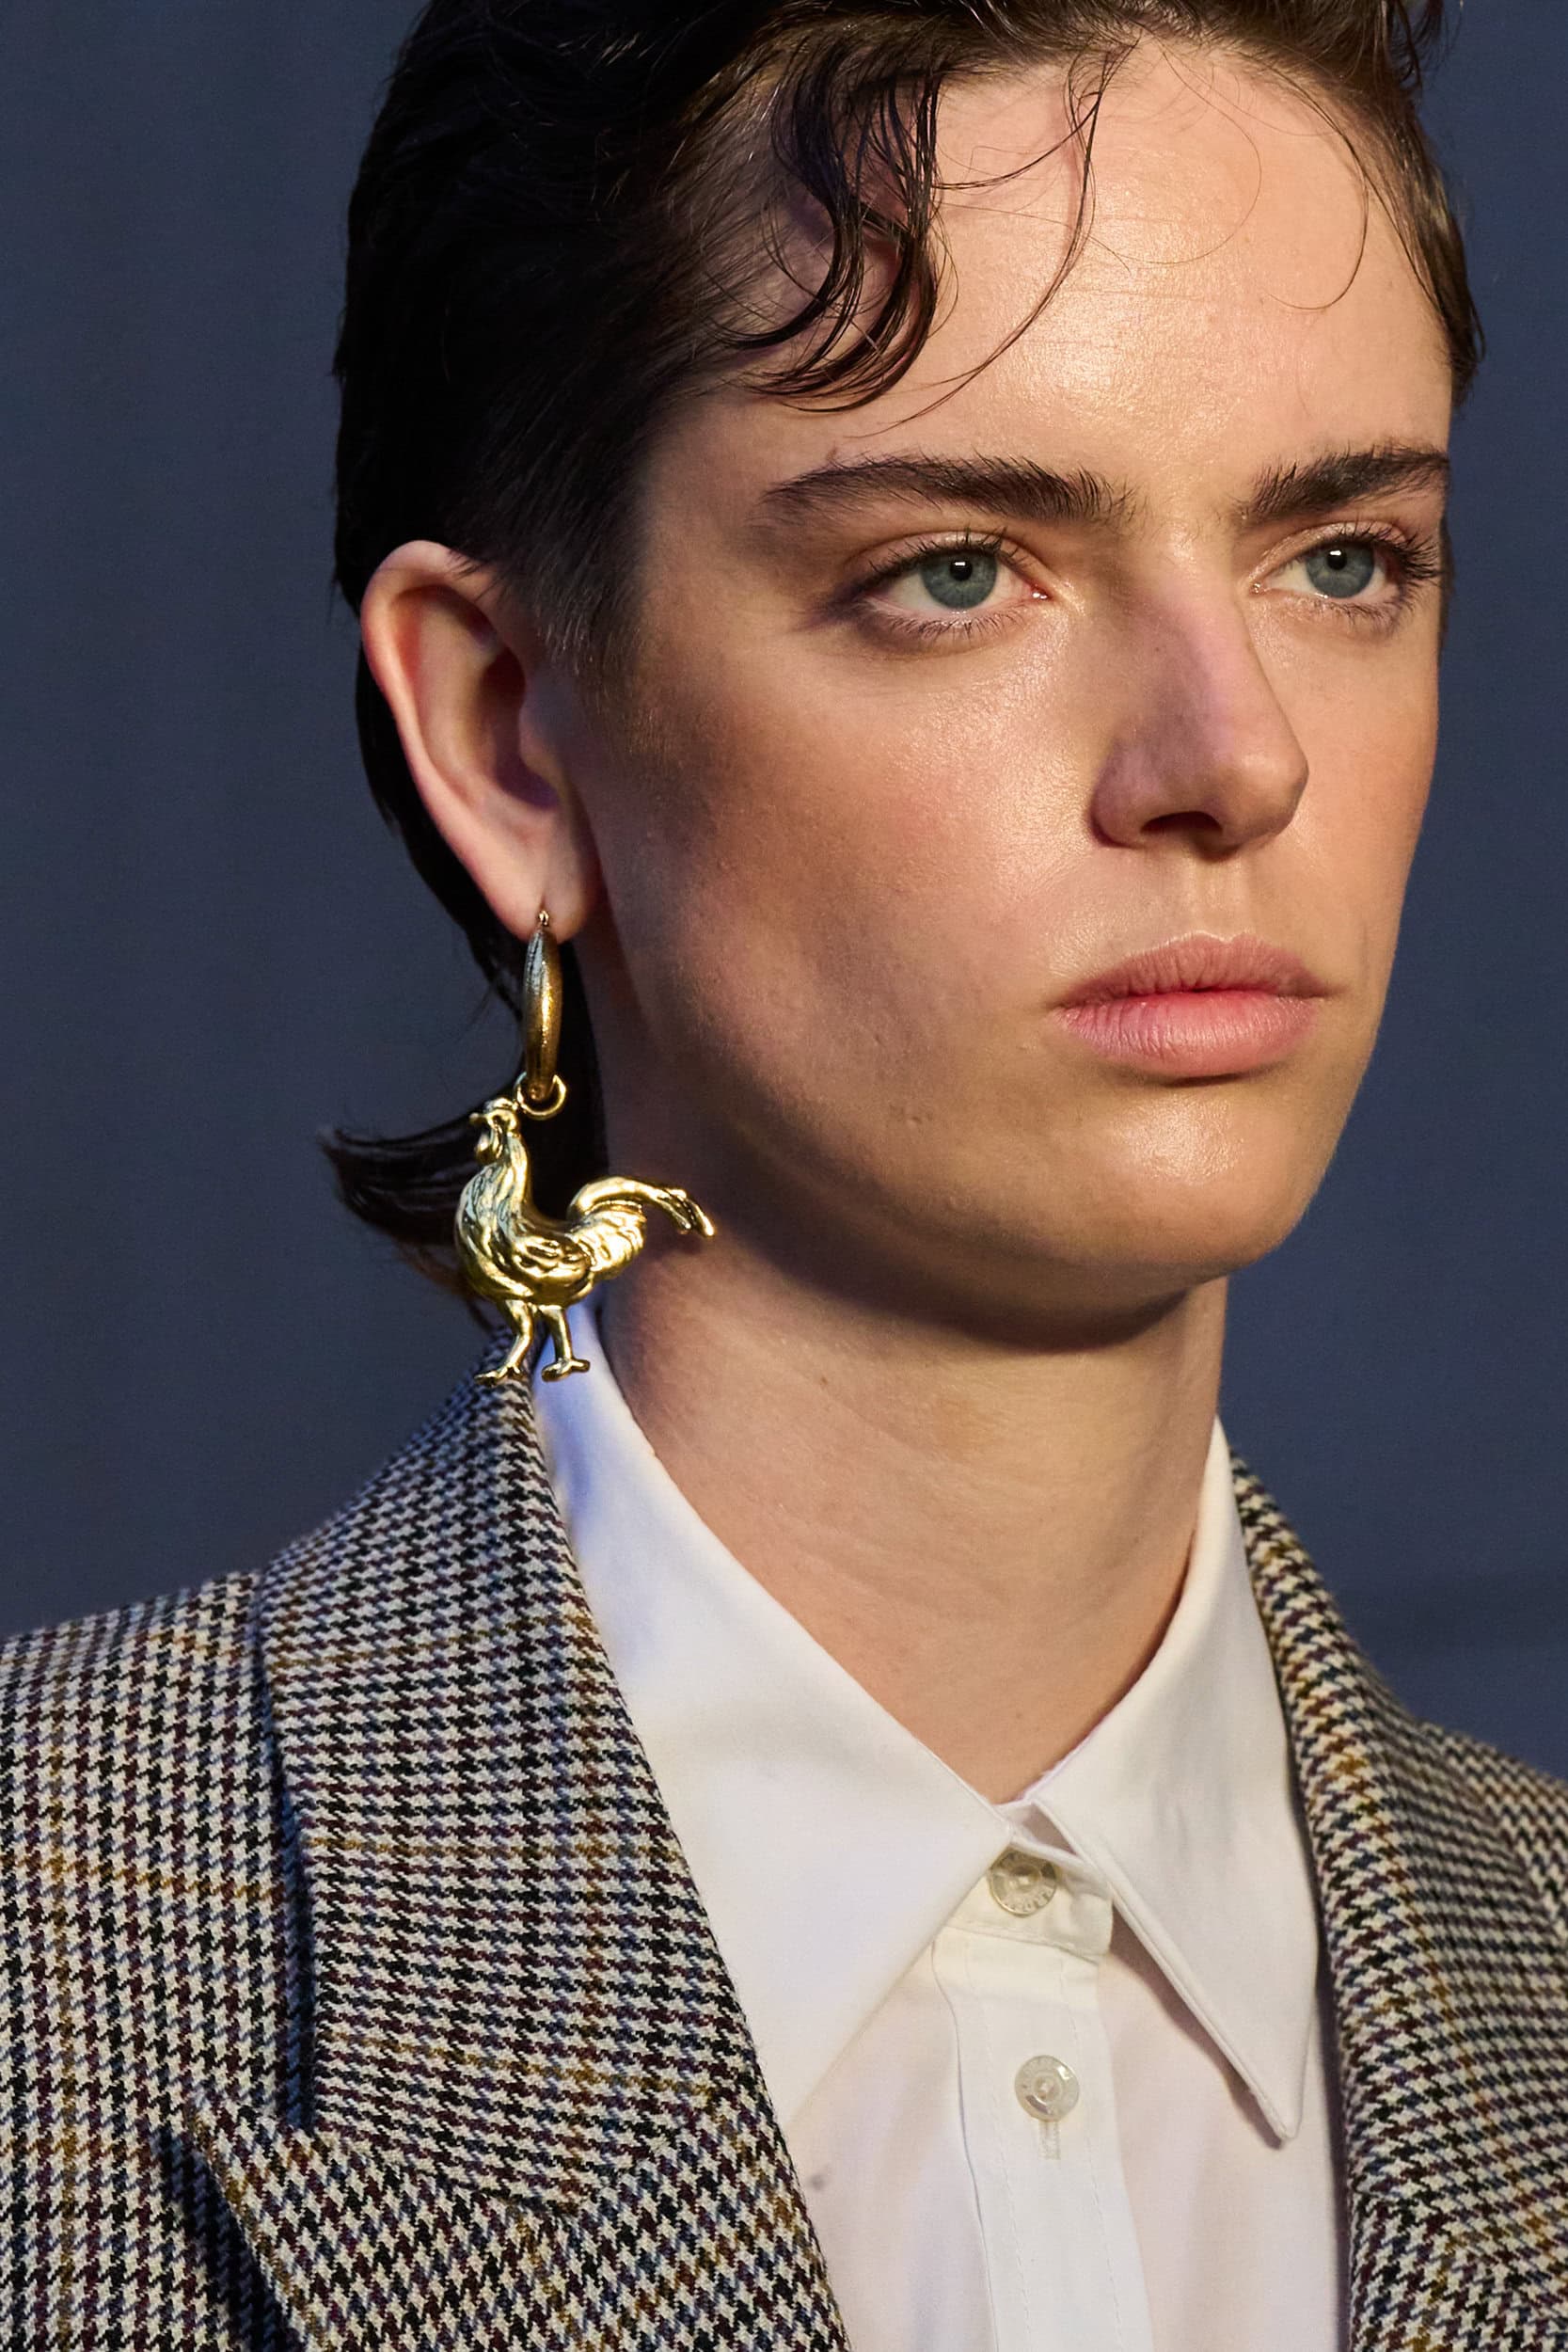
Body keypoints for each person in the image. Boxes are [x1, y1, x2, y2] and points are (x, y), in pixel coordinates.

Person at [7, 1, 1566, 2345]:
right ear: (509, 734)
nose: (1233, 755)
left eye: (1342, 556)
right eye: (957, 570)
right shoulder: (58, 1972)